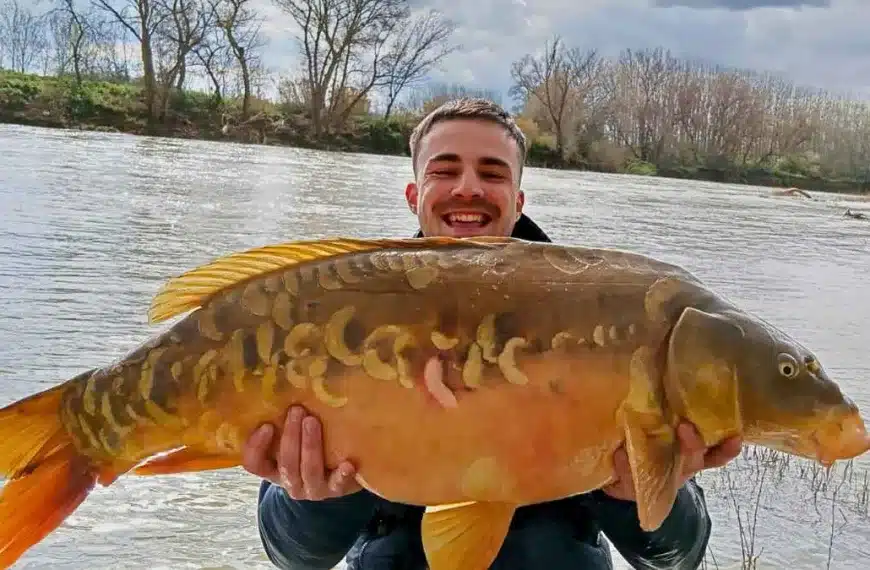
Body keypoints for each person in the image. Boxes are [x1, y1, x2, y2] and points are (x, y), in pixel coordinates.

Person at [242, 97, 743, 569]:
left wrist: (644, 496)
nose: (468, 188)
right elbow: (294, 557)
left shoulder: (604, 317)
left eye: (492, 172)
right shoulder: (338, 309)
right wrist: (318, 496)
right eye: (445, 169)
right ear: (414, 194)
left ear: (518, 200)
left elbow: (678, 557)